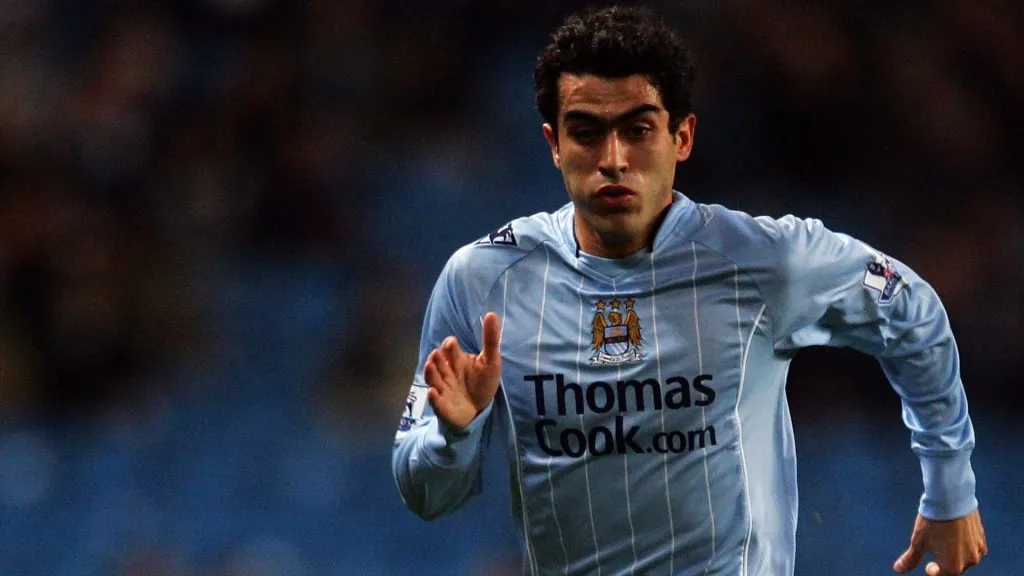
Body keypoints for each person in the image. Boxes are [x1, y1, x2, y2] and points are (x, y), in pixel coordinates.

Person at [391, 5, 988, 575]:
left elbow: (908, 306)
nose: (614, 159)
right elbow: (426, 497)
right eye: (586, 132)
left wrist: (950, 487)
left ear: (683, 137)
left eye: (638, 129)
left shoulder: (766, 261)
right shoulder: (482, 280)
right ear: (553, 143)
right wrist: (452, 433)